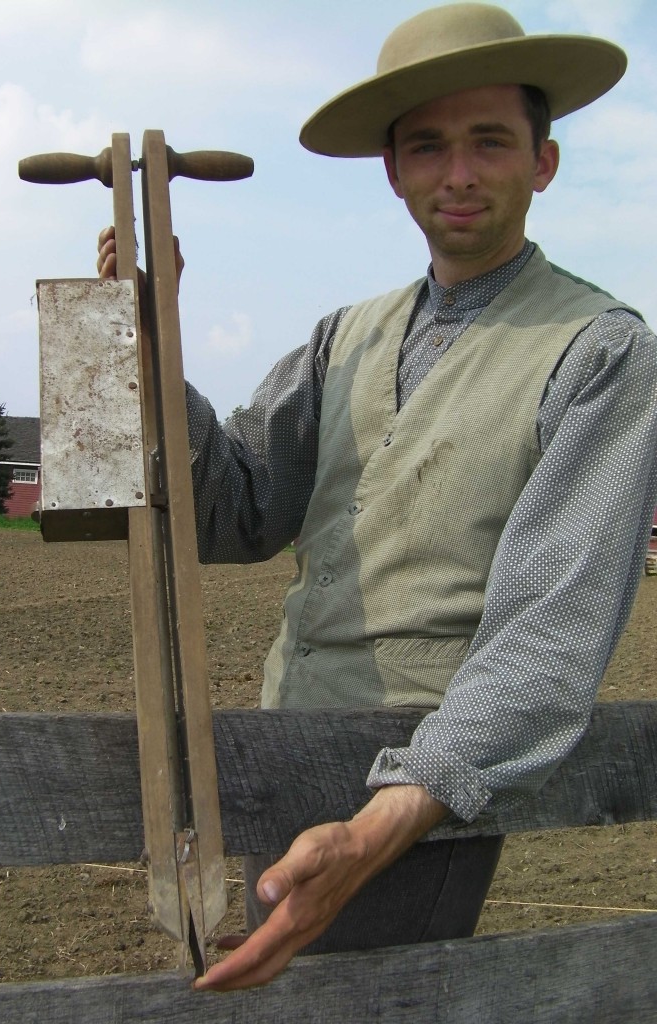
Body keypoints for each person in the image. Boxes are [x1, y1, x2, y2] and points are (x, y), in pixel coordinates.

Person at [98, 2, 657, 993]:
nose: (457, 173)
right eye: (427, 147)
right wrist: (156, 338)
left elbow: (552, 624)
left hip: (420, 787)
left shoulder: (602, 350)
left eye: (491, 141)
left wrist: (388, 817)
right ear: (392, 171)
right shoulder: (341, 338)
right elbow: (233, 514)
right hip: (281, 740)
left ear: (544, 162)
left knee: (372, 1004)